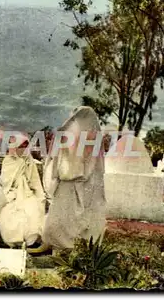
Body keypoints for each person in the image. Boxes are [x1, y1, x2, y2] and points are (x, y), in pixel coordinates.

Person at [30, 106, 106, 253]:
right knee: (61, 216)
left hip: (79, 183)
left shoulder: (82, 133)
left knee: (72, 217)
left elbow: (64, 159)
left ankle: (68, 250)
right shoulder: (86, 133)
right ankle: (54, 245)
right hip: (71, 182)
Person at [0, 137, 46, 248]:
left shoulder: (29, 160)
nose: (23, 149)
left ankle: (30, 241)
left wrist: (40, 195)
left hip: (27, 193)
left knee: (33, 209)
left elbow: (35, 181)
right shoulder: (8, 161)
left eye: (25, 146)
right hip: (12, 193)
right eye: (20, 146)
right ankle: (15, 241)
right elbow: (5, 182)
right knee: (9, 213)